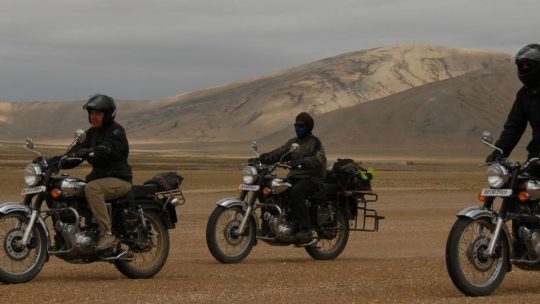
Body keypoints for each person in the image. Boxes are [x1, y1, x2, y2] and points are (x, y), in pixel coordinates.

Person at [61, 94, 133, 251]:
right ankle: (85, 231)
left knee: (92, 188)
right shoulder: (91, 133)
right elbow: (74, 153)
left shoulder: (116, 131)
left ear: (107, 115)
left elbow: (108, 148)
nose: (93, 117)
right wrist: (54, 161)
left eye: (98, 114)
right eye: (91, 113)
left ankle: (107, 234)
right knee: (72, 188)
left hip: (119, 179)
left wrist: (96, 150)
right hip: (100, 179)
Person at [258, 112, 327, 243]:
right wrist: (261, 158)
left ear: (308, 127)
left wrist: (301, 161)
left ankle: (305, 230)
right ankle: (268, 225)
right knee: (271, 187)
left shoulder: (315, 142)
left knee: (297, 192)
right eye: (296, 125)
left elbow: (318, 157)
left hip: (313, 178)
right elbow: (280, 152)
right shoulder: (293, 143)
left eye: (301, 126)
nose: (297, 128)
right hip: (295, 177)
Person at [487, 44, 540, 163]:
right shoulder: (524, 94)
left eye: (527, 65)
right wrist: (499, 152)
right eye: (521, 65)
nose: (523, 68)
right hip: (536, 157)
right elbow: (514, 125)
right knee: (515, 180)